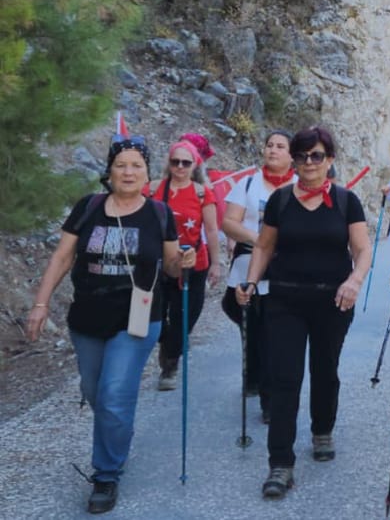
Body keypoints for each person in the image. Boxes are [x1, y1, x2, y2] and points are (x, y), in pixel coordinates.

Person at [26, 136, 192, 514]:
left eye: (136, 165)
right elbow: (63, 256)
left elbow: (169, 266)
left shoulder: (159, 215)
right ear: (110, 171)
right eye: (122, 165)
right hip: (87, 317)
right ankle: (117, 437)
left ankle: (106, 474)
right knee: (96, 390)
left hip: (136, 318)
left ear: (149, 174)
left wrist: (182, 261)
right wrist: (40, 303)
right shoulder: (89, 207)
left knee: (115, 394)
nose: (128, 172)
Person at [235, 126, 371, 499]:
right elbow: (263, 246)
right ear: (294, 161)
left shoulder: (346, 201)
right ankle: (280, 463)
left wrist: (354, 282)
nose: (309, 163)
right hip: (285, 300)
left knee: (325, 371)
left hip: (334, 302)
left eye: (317, 156)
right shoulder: (279, 201)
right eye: (302, 156)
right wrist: (250, 281)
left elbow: (362, 250)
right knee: (285, 378)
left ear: (330, 160)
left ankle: (322, 428)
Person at [221, 130, 295, 423]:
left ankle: (269, 398)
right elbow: (229, 222)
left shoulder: (300, 185)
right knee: (242, 315)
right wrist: (260, 238)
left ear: (292, 155)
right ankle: (253, 370)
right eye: (269, 145)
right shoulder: (248, 183)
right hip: (248, 261)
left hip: (282, 268)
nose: (273, 150)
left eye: (280, 146)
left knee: (271, 333)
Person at [147, 140, 220, 390]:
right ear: (168, 163)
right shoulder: (153, 189)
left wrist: (216, 264)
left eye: (185, 162)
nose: (179, 167)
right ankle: (169, 350)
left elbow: (211, 230)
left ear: (194, 165)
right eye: (175, 161)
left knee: (187, 316)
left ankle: (170, 360)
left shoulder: (202, 192)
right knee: (153, 316)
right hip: (158, 263)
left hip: (193, 263)